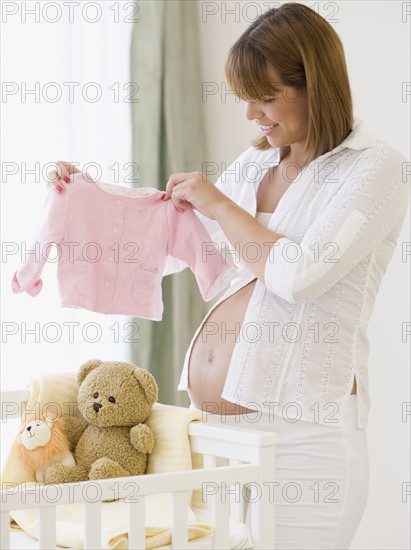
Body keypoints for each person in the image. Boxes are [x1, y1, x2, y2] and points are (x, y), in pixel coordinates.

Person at [47, 3, 409, 548]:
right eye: (245, 98)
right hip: (213, 435)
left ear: (315, 83)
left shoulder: (374, 169)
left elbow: (302, 274)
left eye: (265, 97)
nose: (251, 116)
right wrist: (92, 197)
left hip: (302, 438)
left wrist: (217, 204)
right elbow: (176, 240)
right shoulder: (256, 165)